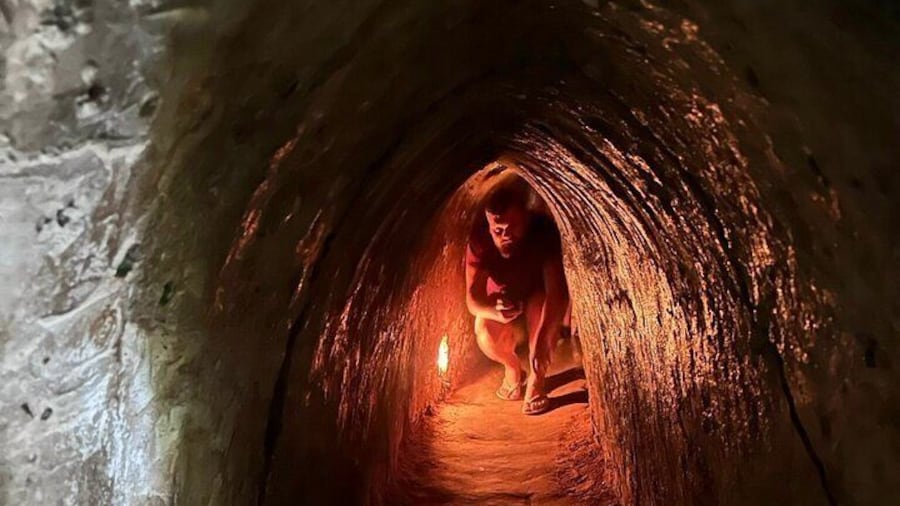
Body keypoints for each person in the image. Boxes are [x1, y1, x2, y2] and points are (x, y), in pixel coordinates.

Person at [464, 179, 569, 415]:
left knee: (541, 310)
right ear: (489, 226)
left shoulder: (543, 232)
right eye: (498, 231)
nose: (506, 236)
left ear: (526, 218)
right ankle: (512, 369)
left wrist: (541, 345)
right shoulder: (479, 239)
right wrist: (494, 312)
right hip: (504, 301)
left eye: (514, 227)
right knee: (484, 329)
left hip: (535, 295)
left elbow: (556, 294)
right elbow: (471, 301)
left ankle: (536, 380)